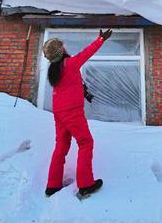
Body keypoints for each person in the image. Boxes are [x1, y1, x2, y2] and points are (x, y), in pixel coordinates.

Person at [42, 29, 113, 198]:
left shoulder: (54, 69)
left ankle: (52, 185)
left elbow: (69, 85)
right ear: (61, 51)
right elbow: (87, 52)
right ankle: (86, 184)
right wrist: (101, 39)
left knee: (61, 145)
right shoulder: (70, 64)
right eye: (63, 46)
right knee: (85, 142)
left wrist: (84, 92)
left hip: (58, 111)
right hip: (72, 111)